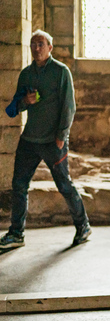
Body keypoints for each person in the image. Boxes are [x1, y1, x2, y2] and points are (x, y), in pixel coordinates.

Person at [0, 30, 91, 251]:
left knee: (64, 185)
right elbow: (13, 108)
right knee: (19, 185)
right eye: (33, 44)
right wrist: (25, 100)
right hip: (29, 140)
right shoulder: (26, 74)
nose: (37, 48)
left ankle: (83, 226)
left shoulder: (61, 72)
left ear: (50, 47)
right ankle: (16, 233)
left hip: (53, 142)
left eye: (41, 44)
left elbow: (69, 107)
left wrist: (61, 137)